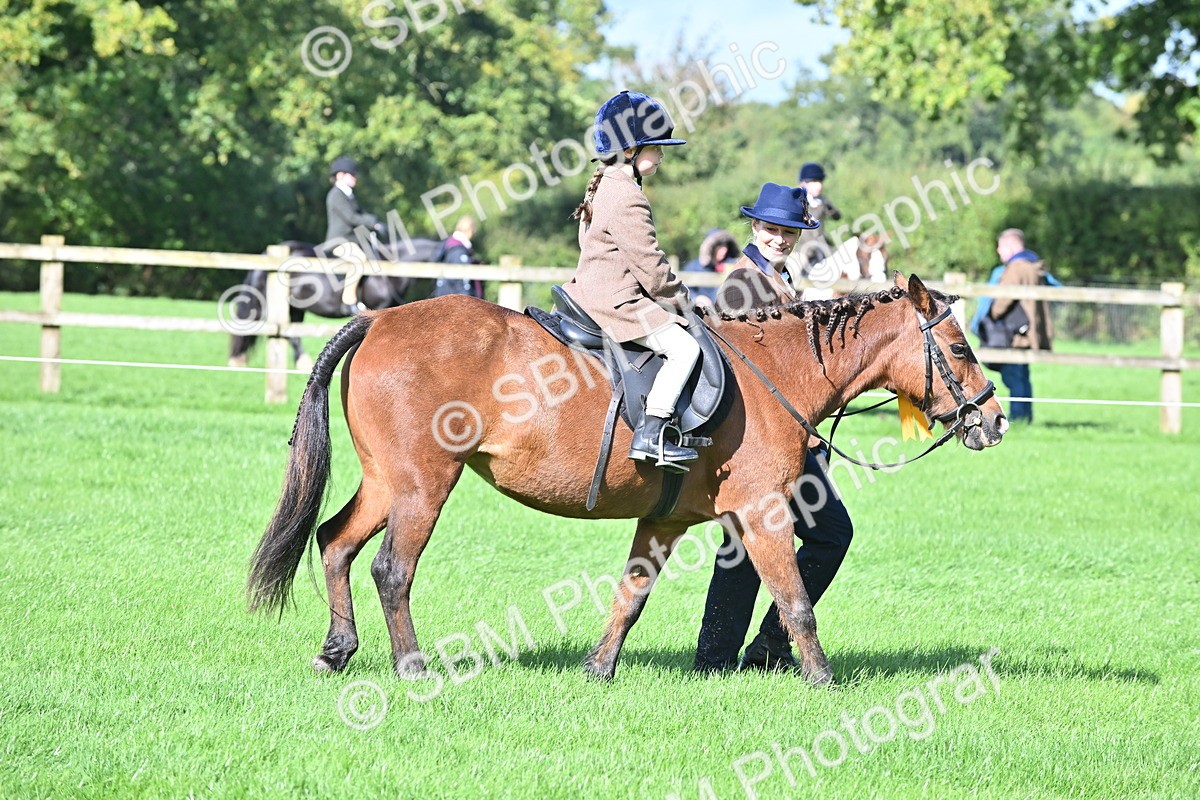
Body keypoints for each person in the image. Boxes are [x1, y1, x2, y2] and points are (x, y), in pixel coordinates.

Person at [697, 182, 855, 673]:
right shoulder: (742, 283)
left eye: (788, 231)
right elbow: (741, 365)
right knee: (753, 545)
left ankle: (761, 648)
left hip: (787, 438)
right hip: (753, 440)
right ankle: (720, 659)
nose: (779, 238)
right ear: (754, 227)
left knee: (820, 536)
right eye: (771, 229)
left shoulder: (781, 278)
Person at [563, 90, 697, 472]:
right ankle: (651, 433)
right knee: (685, 349)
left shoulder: (603, 184)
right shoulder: (627, 196)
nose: (662, 155)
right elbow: (652, 270)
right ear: (630, 149)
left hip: (588, 292)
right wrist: (685, 300)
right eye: (656, 146)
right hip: (616, 303)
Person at [969, 228, 1058, 423]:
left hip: (1013, 333)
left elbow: (1004, 298)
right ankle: (1025, 417)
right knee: (1022, 376)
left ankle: (1018, 417)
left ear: (1010, 246)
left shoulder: (1016, 267)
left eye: (1000, 247)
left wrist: (994, 313)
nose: (998, 252)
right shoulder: (1034, 265)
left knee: (1014, 377)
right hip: (1026, 331)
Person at [323, 156, 384, 315]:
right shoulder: (336, 194)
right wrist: (373, 223)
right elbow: (351, 217)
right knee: (359, 259)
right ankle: (348, 302)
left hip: (350, 240)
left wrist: (374, 221)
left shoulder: (348, 194)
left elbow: (359, 214)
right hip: (338, 241)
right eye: (352, 174)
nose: (355, 177)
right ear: (340, 175)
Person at [791, 161, 843, 273]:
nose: (819, 186)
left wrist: (830, 208)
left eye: (820, 182)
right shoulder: (797, 200)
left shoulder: (822, 201)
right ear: (804, 183)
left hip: (822, 247)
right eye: (814, 182)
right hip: (802, 249)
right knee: (795, 273)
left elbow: (837, 217)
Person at [682, 228, 740, 306]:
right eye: (720, 246)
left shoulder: (731, 266)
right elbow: (683, 289)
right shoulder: (694, 267)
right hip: (700, 310)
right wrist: (697, 298)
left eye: (726, 246)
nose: (725, 249)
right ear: (711, 248)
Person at [431, 216, 485, 299]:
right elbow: (462, 283)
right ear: (470, 230)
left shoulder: (450, 246)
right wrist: (468, 300)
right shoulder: (458, 251)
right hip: (453, 300)